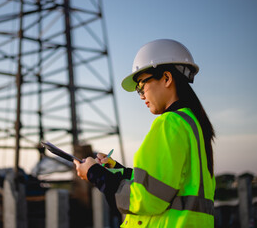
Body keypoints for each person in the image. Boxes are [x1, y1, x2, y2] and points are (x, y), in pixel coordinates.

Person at [74, 39, 216, 227]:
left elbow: (146, 198)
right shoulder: (191, 123)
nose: (141, 95)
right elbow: (162, 183)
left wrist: (94, 174)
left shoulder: (169, 123)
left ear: (166, 78)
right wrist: (114, 169)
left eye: (142, 85)